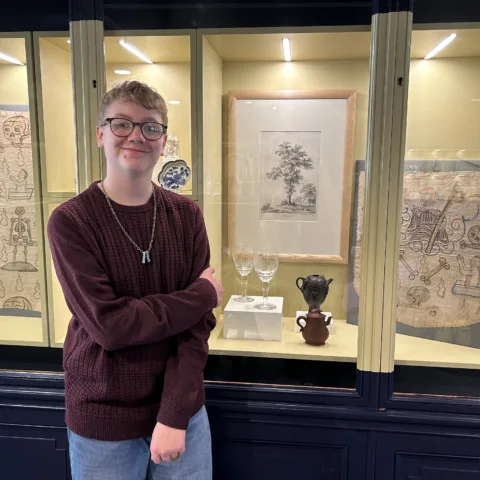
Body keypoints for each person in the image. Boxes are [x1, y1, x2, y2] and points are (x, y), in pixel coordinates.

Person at [47, 80, 223, 480]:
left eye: (151, 127)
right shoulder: (70, 222)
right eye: (122, 124)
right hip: (103, 421)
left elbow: (196, 329)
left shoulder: (186, 214)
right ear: (100, 134)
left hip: (185, 417)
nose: (137, 136)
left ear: (163, 142)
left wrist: (175, 416)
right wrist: (201, 295)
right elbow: (110, 326)